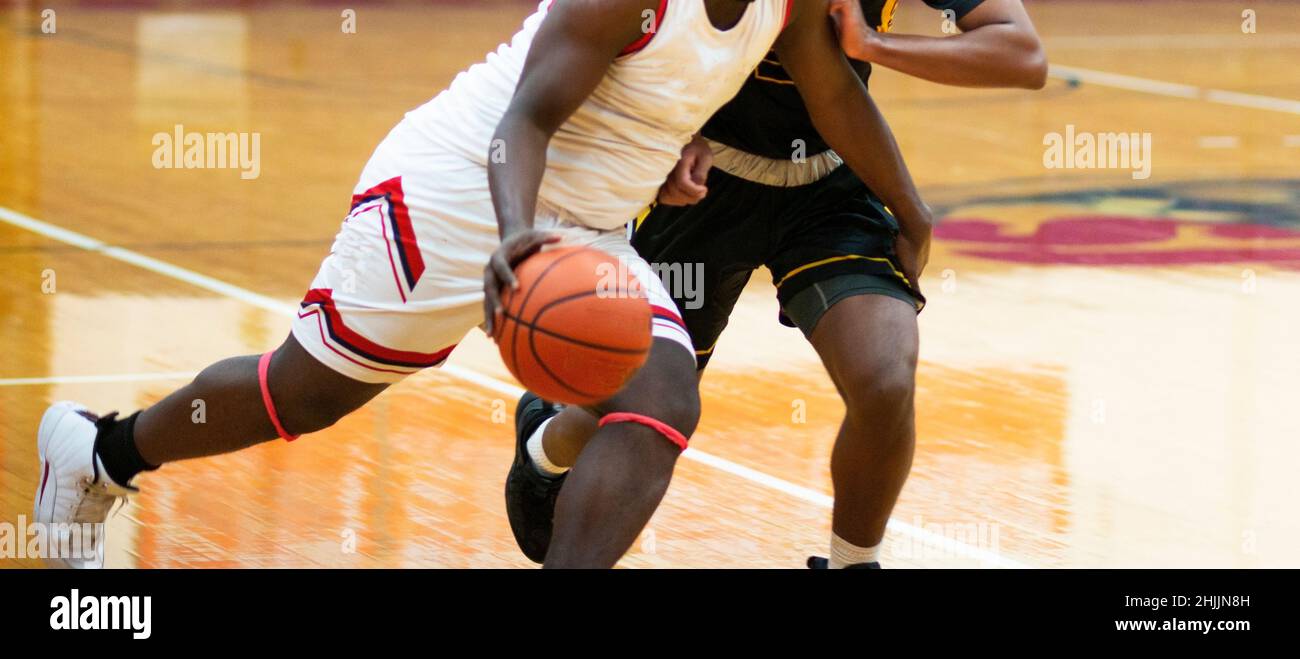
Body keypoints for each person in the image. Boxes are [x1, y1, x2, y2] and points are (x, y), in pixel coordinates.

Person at [34, 0, 937, 569]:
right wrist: (519, 241)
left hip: (586, 224)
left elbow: (837, 99)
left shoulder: (792, 5)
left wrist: (910, 207)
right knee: (301, 394)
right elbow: (526, 116)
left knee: (665, 393)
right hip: (466, 183)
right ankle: (99, 451)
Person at [506, 0, 1046, 568]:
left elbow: (1023, 53)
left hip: (830, 176)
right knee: (636, 406)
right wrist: (663, 144)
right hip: (702, 180)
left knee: (885, 380)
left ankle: (851, 562)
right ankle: (545, 443)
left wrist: (874, 46)